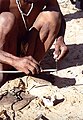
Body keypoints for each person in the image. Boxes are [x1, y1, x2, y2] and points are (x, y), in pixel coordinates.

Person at [0, 0, 68, 85]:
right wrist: (14, 61)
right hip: (4, 52)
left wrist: (60, 38)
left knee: (53, 15)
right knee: (6, 19)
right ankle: (3, 73)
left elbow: (58, 13)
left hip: (27, 47)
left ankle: (29, 68)